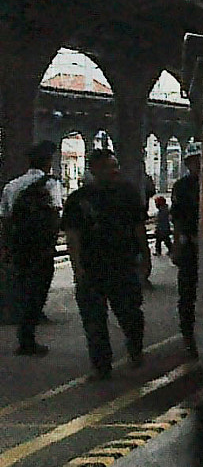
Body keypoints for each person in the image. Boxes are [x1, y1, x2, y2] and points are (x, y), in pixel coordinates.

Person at [60, 148, 148, 378]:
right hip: (92, 267)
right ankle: (101, 365)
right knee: (94, 319)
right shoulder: (79, 199)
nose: (115, 170)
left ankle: (135, 348)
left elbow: (139, 228)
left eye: (115, 165)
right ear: (95, 170)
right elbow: (73, 236)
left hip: (123, 264)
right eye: (110, 166)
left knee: (130, 313)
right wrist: (77, 267)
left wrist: (145, 257)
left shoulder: (127, 193)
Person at [2, 140, 64, 356]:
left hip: (20, 248)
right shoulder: (51, 185)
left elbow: (5, 220)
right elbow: (56, 216)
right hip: (42, 250)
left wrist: (7, 249)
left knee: (22, 289)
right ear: (48, 162)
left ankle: (24, 335)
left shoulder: (12, 186)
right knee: (38, 291)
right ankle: (27, 339)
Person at [170, 149, 202, 359]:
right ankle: (189, 337)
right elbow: (178, 219)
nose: (197, 165)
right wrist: (178, 244)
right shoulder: (183, 187)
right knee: (188, 294)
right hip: (191, 246)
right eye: (193, 162)